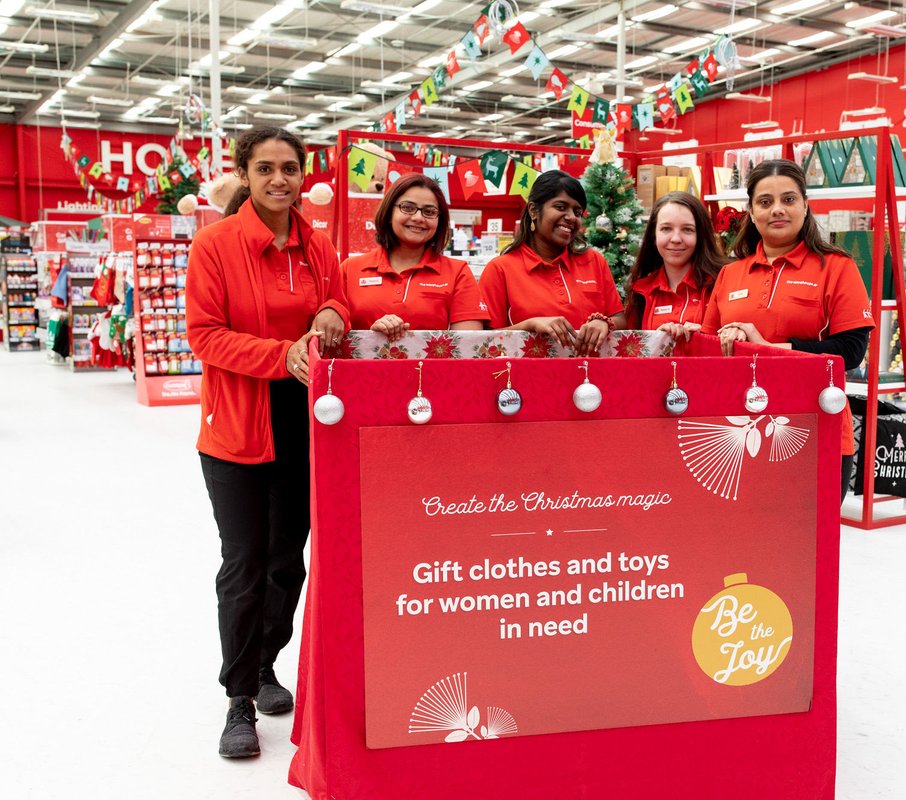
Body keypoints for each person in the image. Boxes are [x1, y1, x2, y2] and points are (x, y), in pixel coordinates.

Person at [186, 127, 350, 759]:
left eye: (289, 168)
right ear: (245, 175)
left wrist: (333, 311)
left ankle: (264, 662)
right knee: (245, 564)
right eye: (265, 169)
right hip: (236, 429)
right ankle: (238, 699)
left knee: (289, 559)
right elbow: (204, 334)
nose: (279, 179)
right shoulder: (217, 245)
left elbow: (336, 296)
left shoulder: (318, 245)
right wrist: (283, 354)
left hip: (305, 424)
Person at [700, 159, 874, 502]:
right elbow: (708, 348)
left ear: (806, 205)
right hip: (733, 433)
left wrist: (771, 347)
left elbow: (852, 351)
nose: (777, 210)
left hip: (813, 428)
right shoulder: (730, 274)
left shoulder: (837, 268)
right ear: (751, 212)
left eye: (789, 199)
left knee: (806, 549)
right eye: (765, 202)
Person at [478, 170, 625, 353]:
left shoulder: (593, 261)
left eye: (577, 211)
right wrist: (529, 325)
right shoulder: (501, 269)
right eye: (561, 207)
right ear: (533, 210)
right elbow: (482, 340)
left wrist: (603, 322)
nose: (571, 217)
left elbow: (620, 319)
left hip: (590, 378)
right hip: (525, 378)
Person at [340, 173, 487, 336]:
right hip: (358, 362)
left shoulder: (458, 273)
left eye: (429, 212)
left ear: (439, 220)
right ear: (389, 213)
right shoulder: (350, 269)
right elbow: (329, 333)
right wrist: (372, 335)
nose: (418, 218)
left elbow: (468, 344)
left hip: (433, 362)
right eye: (408, 208)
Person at [625, 191, 725, 336]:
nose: (676, 239)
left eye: (687, 230)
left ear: (700, 235)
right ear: (654, 234)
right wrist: (656, 341)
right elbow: (633, 352)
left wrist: (706, 336)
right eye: (666, 229)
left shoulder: (722, 282)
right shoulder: (640, 291)